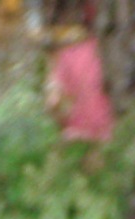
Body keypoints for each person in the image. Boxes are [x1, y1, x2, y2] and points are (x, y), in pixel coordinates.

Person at [44, 0, 112, 146]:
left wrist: (63, 123)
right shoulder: (109, 50)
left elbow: (53, 101)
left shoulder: (64, 56)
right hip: (111, 134)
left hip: (76, 134)